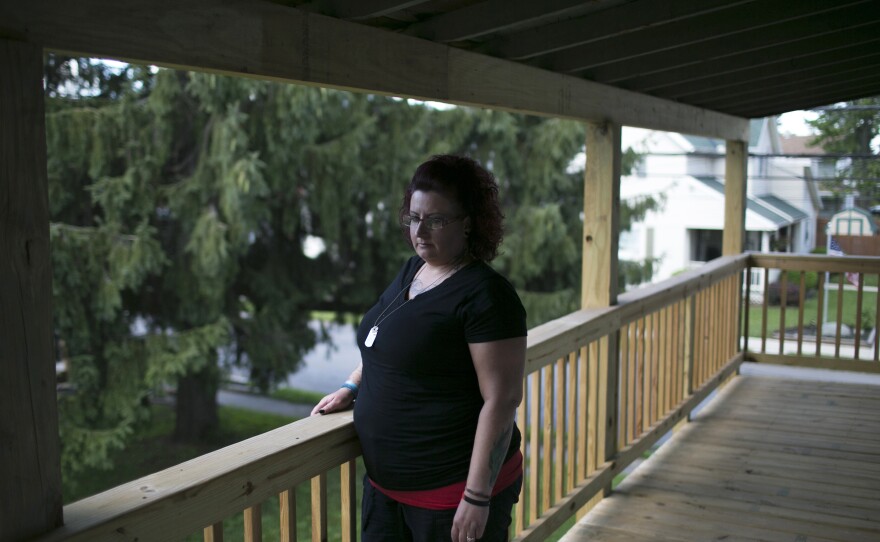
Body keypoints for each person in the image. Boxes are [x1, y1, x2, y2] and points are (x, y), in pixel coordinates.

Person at [312, 154, 527, 542]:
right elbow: (389, 343)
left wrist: (477, 498)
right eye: (413, 217)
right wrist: (352, 387)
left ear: (469, 223)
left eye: (436, 219)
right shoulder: (415, 269)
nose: (420, 231)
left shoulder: (487, 296)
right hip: (386, 489)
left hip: (451, 497)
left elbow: (503, 400)